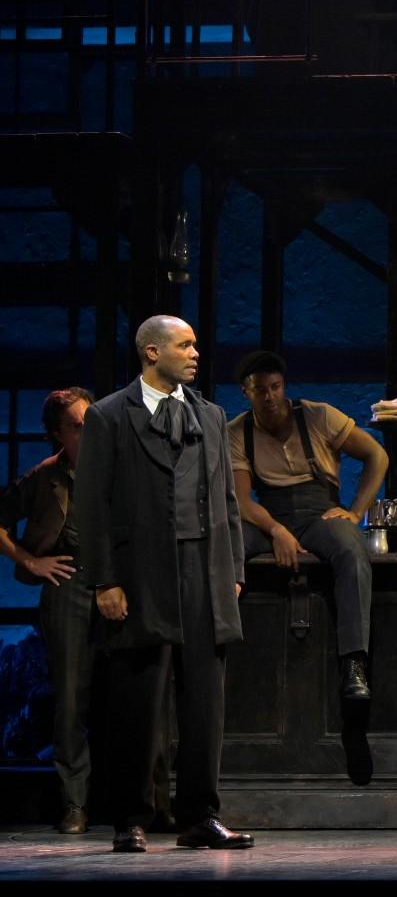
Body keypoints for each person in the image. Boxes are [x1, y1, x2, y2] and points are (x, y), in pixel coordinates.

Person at [71, 316, 251, 854]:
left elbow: (226, 501)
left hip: (205, 568)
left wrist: (234, 570)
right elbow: (92, 505)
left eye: (196, 342)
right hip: (141, 573)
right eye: (185, 344)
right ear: (152, 352)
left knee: (204, 703)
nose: (196, 352)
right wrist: (104, 579)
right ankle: (130, 816)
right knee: (138, 701)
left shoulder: (212, 417)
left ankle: (201, 816)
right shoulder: (109, 416)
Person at [227, 351, 386, 703]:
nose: (269, 396)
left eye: (275, 387)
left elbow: (378, 455)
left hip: (320, 513)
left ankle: (354, 663)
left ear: (284, 386)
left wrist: (356, 511)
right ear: (245, 392)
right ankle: (219, 641)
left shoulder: (318, 416)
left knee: (350, 547)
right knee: (228, 539)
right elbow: (241, 501)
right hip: (269, 515)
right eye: (260, 390)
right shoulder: (237, 432)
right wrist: (276, 531)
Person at [0, 388, 93, 832]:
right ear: (58, 434)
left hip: (121, 585)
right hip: (68, 581)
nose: (88, 432)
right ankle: (74, 802)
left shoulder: (116, 470)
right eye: (77, 426)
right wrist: (30, 561)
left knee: (134, 692)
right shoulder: (46, 476)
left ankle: (145, 801)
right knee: (70, 696)